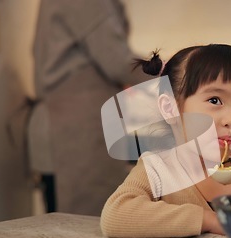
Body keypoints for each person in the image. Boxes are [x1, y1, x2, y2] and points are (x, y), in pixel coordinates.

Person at [100, 44, 231, 238]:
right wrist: (210, 220)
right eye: (214, 100)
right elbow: (115, 216)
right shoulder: (158, 169)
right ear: (170, 108)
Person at [31, 0, 149, 215]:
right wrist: (179, 72)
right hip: (75, 129)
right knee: (80, 226)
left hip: (65, 125)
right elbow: (118, 61)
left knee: (66, 226)